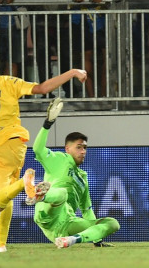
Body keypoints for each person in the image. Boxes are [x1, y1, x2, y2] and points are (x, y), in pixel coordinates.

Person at [0, 47, 88, 252]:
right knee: (7, 192)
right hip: (17, 145)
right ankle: (0, 243)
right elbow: (42, 88)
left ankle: (26, 182)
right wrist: (72, 72)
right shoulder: (8, 82)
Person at [26, 97, 120, 248]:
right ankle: (39, 195)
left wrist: (97, 239)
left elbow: (87, 211)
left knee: (113, 223)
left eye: (85, 148)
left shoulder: (83, 178)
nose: (83, 151)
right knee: (62, 193)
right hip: (48, 214)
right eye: (79, 147)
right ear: (67, 149)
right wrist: (47, 124)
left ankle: (70, 240)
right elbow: (37, 149)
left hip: (67, 225)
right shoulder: (59, 159)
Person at [61, 0, 130, 97]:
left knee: (107, 57)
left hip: (106, 15)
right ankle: (92, 98)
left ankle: (105, 97)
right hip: (83, 14)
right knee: (86, 57)